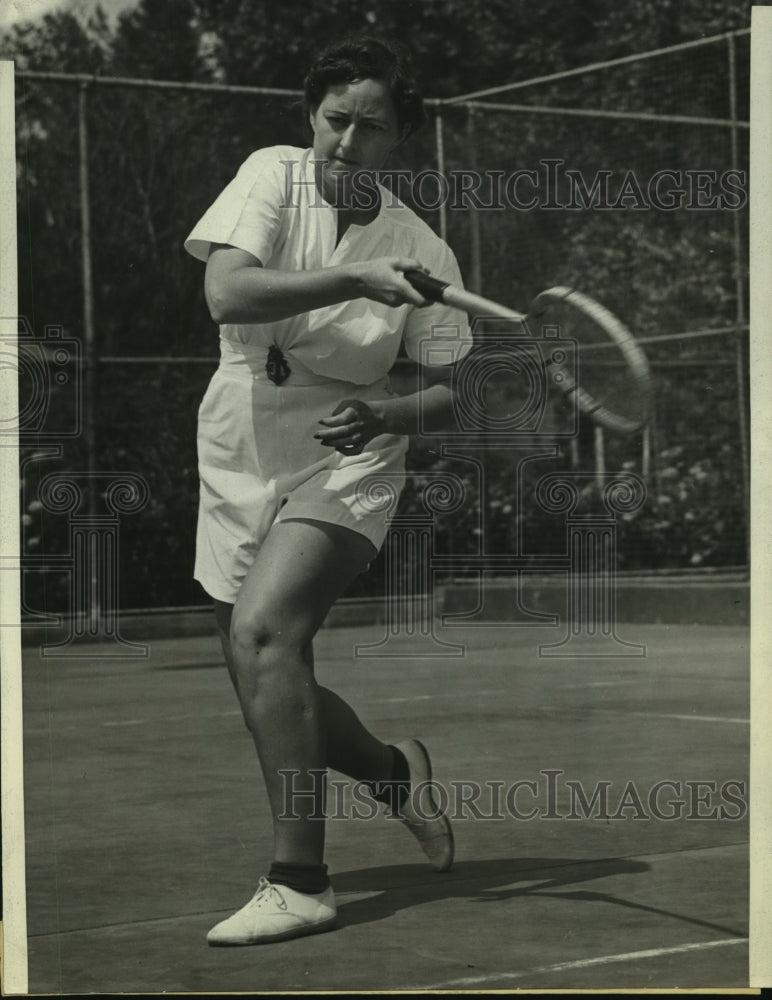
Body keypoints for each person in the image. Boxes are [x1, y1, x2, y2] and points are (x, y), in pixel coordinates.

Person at [184, 35, 474, 946]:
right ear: (312, 115)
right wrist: (353, 277)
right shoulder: (272, 173)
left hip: (349, 453)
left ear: (403, 137)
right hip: (237, 435)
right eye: (334, 118)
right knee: (261, 663)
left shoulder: (424, 247)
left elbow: (451, 391)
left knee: (269, 630)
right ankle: (395, 774)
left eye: (371, 126)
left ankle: (300, 880)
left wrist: (387, 419)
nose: (347, 141)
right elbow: (227, 295)